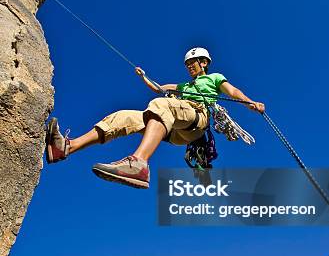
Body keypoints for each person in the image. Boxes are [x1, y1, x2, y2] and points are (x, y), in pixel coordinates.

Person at [45, 47, 265, 189]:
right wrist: (144, 78)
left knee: (162, 105)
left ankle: (139, 163)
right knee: (123, 117)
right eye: (188, 64)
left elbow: (233, 91)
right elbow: (159, 88)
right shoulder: (183, 86)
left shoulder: (215, 78)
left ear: (204, 63)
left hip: (197, 118)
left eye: (194, 62)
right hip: (174, 126)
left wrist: (250, 102)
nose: (189, 66)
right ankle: (66, 148)